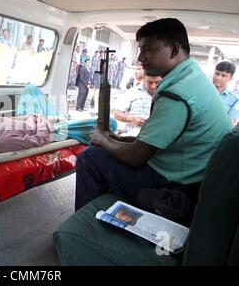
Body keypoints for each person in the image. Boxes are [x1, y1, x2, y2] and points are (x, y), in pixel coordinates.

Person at [75, 18, 232, 217]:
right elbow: (154, 143)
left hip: (176, 187)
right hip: (192, 173)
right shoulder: (194, 77)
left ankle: (86, 225)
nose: (141, 57)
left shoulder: (177, 95)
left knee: (90, 157)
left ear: (174, 50)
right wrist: (117, 139)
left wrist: (102, 140)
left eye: (148, 49)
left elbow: (136, 157)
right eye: (141, 50)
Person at [212, 61, 238, 126]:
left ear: (230, 79)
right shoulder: (202, 90)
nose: (218, 77)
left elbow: (231, 123)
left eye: (224, 75)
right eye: (217, 73)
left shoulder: (236, 100)